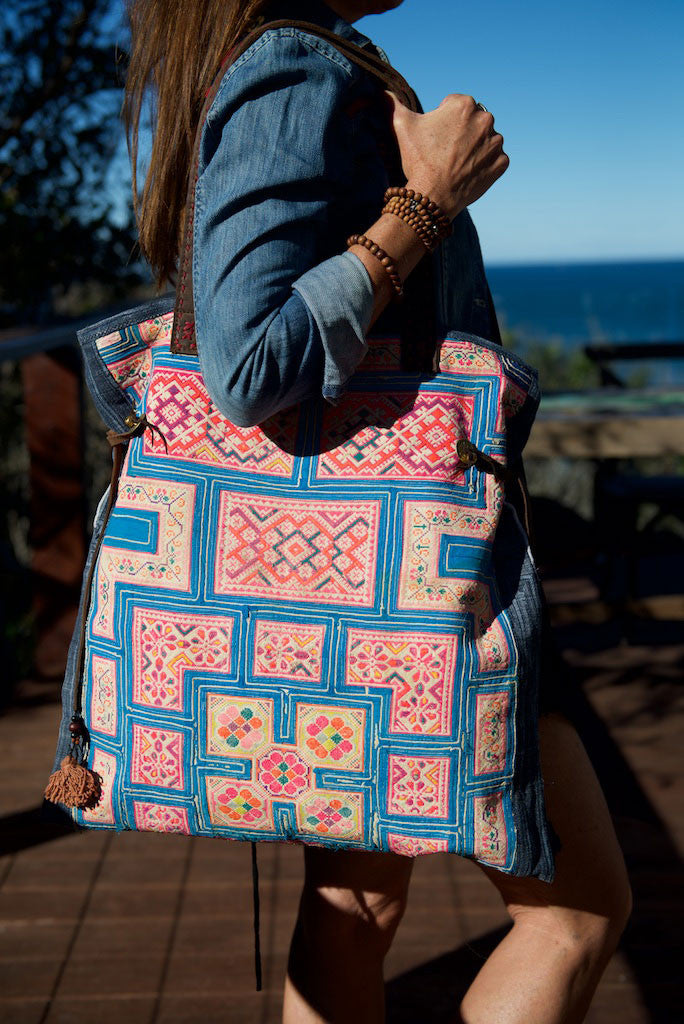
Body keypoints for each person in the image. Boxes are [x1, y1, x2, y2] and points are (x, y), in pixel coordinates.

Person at [121, 1, 632, 1020]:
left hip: (346, 595)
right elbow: (247, 364)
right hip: (412, 577)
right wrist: (427, 202)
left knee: (355, 903)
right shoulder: (292, 64)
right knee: (574, 915)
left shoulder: (291, 61)